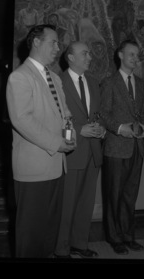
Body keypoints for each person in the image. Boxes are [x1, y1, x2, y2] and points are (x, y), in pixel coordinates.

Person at [6, 24, 76, 258]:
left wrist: (70, 134)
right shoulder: (20, 77)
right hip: (34, 168)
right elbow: (21, 119)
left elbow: (64, 113)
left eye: (58, 43)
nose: (58, 48)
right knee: (30, 234)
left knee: (49, 232)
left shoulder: (54, 78)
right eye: (53, 42)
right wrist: (57, 143)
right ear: (36, 42)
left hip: (57, 166)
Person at [100, 39, 144, 255]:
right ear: (120, 55)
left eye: (137, 55)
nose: (135, 58)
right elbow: (102, 114)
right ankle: (114, 238)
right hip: (116, 148)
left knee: (130, 195)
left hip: (137, 148)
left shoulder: (141, 84)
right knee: (114, 195)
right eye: (131, 54)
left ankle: (128, 236)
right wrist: (120, 128)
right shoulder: (109, 83)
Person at [54, 41, 106, 258]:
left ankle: (79, 243)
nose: (90, 57)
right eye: (85, 53)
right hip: (71, 151)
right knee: (66, 205)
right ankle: (61, 248)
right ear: (70, 57)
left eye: (90, 53)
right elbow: (53, 118)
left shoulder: (94, 82)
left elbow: (97, 114)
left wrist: (101, 128)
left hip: (93, 152)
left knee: (86, 203)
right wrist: (78, 129)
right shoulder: (58, 82)